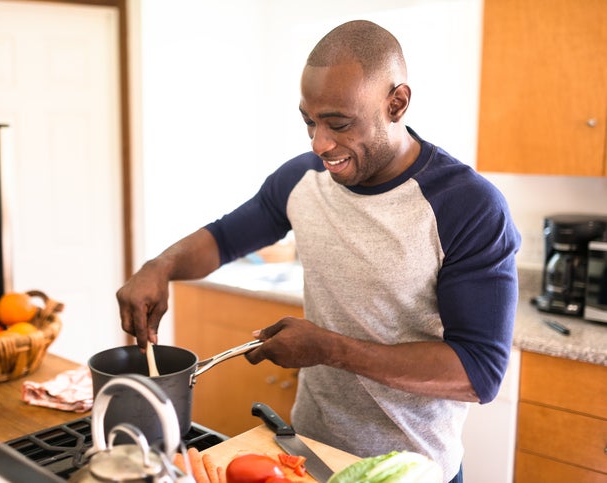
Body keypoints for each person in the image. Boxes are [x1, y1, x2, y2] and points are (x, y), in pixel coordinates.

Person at [117, 20, 520, 483]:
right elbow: (224, 238)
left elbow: (478, 374)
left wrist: (328, 348)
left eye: (339, 124)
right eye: (309, 121)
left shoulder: (467, 206)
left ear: (397, 103)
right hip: (305, 457)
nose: (319, 143)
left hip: (408, 470)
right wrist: (159, 266)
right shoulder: (302, 179)